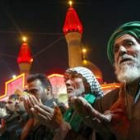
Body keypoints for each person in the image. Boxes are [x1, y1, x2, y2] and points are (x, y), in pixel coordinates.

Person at [72, 21, 140, 140]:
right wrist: (104, 132)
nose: (122, 51)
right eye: (116, 49)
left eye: (129, 44)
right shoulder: (106, 102)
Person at [27, 66, 104, 140]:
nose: (67, 82)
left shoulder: (98, 108)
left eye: (74, 77)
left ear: (87, 82)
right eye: (66, 79)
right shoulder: (70, 111)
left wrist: (60, 126)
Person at [20, 73, 61, 140]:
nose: (31, 96)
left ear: (48, 90)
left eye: (34, 91)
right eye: (29, 92)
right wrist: (31, 117)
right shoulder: (32, 111)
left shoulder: (58, 109)